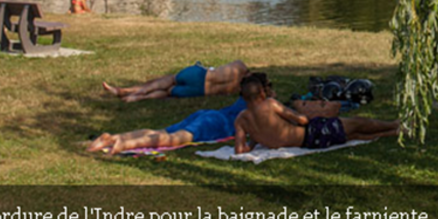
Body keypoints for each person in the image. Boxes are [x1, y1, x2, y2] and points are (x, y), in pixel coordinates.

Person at [88, 75, 275, 155]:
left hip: (206, 115)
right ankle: (124, 144)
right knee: (173, 139)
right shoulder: (264, 107)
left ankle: (112, 137)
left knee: (159, 131)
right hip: (214, 124)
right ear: (263, 93)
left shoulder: (244, 99)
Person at [234, 74, 399, 154]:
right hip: (311, 133)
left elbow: (240, 150)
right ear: (262, 93)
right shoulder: (270, 105)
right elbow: (302, 120)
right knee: (356, 123)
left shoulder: (241, 119)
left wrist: (256, 140)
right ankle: (394, 125)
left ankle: (394, 132)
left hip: (307, 144)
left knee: (353, 135)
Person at [102, 60, 250, 103]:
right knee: (168, 92)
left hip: (200, 75)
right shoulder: (239, 90)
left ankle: (129, 90)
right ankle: (138, 97)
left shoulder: (240, 66)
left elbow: (218, 68)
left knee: (170, 79)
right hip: (199, 91)